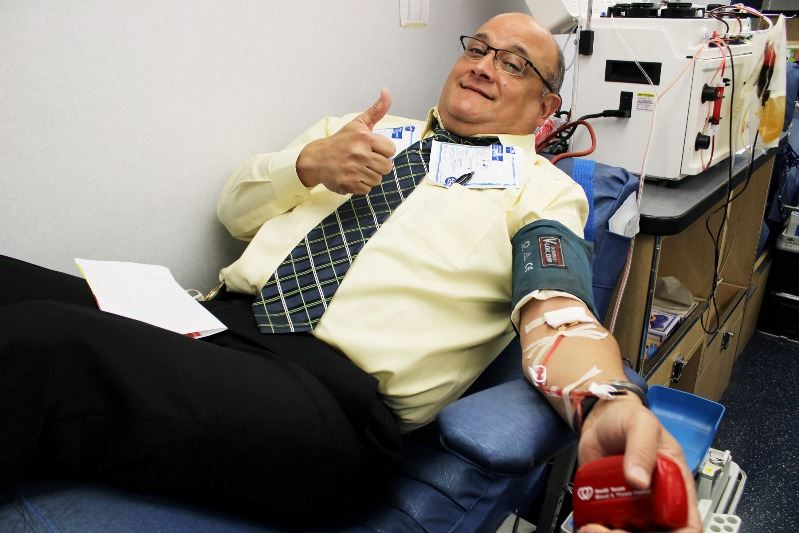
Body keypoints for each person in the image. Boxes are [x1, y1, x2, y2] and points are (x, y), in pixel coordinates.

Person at [0, 12, 700, 532]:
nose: (485, 65)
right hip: (212, 324)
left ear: (547, 109)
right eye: (479, 48)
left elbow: (556, 308)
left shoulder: (540, 188)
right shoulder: (364, 131)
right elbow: (234, 208)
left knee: (42, 342)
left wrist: (605, 398)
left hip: (324, 402)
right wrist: (306, 166)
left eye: (516, 64)